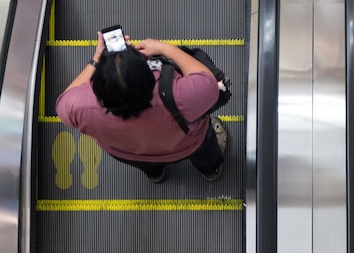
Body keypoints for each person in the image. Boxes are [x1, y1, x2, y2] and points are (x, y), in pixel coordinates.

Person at [55, 31, 228, 183]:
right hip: (187, 145)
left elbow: (64, 100)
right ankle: (211, 171)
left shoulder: (81, 107)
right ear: (149, 76)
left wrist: (96, 60)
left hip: (129, 152)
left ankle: (155, 174)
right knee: (205, 151)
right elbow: (208, 81)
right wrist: (164, 48)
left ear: (96, 86)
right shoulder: (180, 95)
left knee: (146, 164)